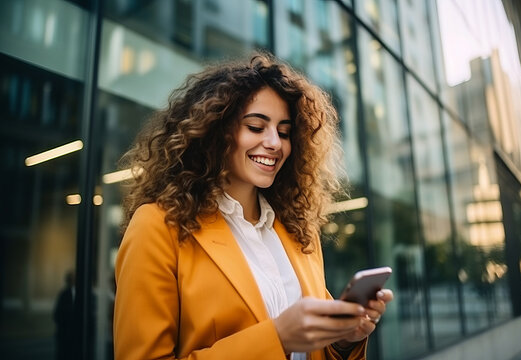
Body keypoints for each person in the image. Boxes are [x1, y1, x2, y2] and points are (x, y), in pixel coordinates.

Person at [113, 52, 393, 360]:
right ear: (216, 131)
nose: (275, 142)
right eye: (256, 127)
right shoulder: (156, 226)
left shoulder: (299, 233)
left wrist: (343, 340)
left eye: (284, 132)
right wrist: (277, 338)